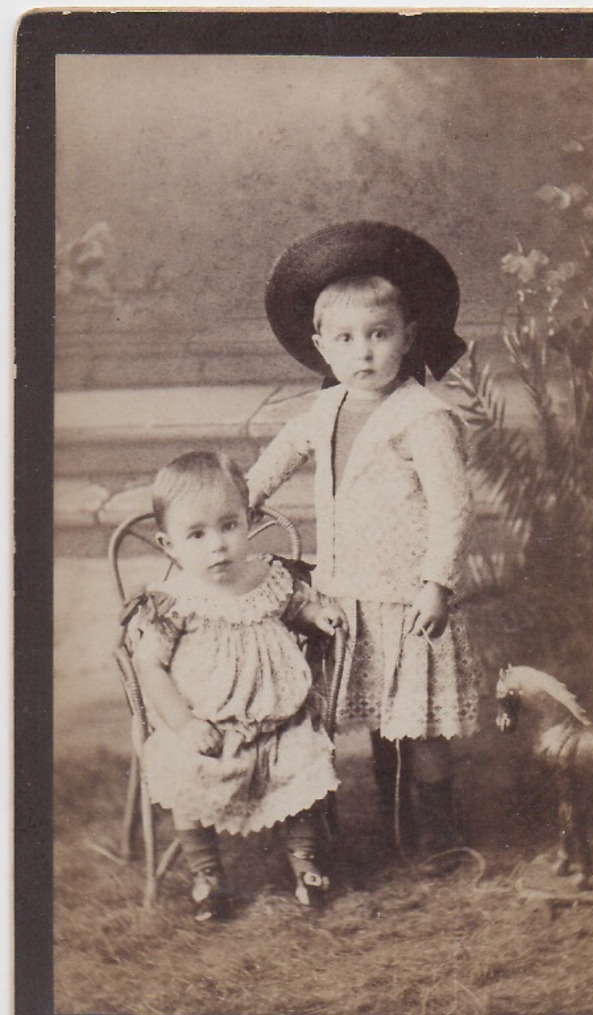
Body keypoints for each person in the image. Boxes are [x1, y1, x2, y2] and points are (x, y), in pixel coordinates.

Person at [246, 221, 483, 858]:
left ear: (408, 338)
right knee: (379, 717)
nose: (364, 353)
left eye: (379, 335)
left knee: (421, 725)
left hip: (409, 602)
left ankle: (435, 837)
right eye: (346, 339)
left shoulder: (423, 417)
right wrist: (240, 504)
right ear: (321, 345)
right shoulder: (323, 410)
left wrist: (437, 584)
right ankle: (390, 817)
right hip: (345, 595)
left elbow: (454, 509)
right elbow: (276, 460)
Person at [126, 449, 345, 922]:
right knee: (188, 776)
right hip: (211, 726)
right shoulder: (175, 601)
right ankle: (208, 874)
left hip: (282, 719)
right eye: (197, 535)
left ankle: (304, 861)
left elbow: (293, 608)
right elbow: (150, 667)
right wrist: (184, 725)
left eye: (229, 526)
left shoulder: (267, 576)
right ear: (169, 546)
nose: (217, 546)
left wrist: (315, 615)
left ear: (248, 521)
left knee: (302, 763)